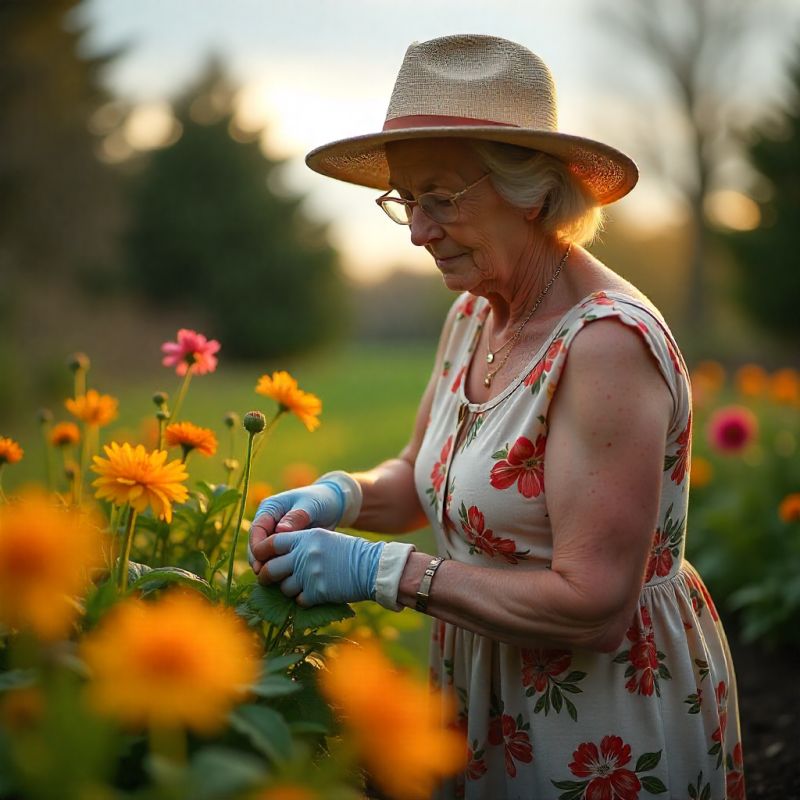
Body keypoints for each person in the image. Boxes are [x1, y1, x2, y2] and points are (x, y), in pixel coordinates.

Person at [249, 34, 744, 799]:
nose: (418, 230)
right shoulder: (477, 312)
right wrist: (334, 496)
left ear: (533, 190)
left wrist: (380, 571)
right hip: (486, 693)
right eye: (405, 200)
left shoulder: (604, 344)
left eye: (441, 197)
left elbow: (594, 606)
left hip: (596, 724)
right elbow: (418, 478)